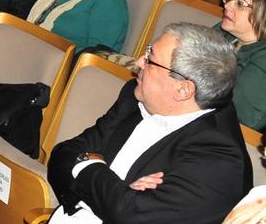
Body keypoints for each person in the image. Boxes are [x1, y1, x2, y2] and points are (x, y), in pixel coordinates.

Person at [47, 23, 250, 224]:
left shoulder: (220, 157)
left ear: (183, 89)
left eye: (150, 60)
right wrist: (116, 192)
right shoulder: (135, 98)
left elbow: (129, 215)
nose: (138, 62)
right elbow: (63, 154)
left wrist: (87, 164)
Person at [217, 0, 266, 131]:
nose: (227, 5)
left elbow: (241, 119)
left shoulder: (263, 61)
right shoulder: (223, 31)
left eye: (239, 3)